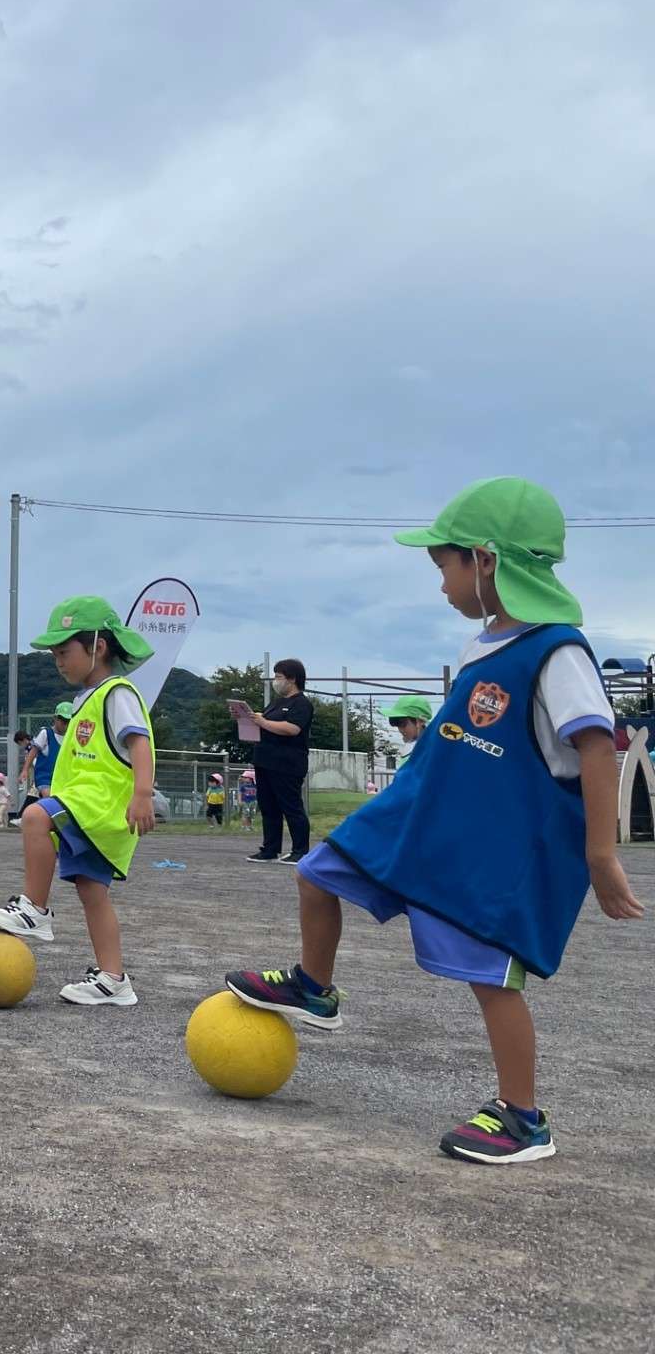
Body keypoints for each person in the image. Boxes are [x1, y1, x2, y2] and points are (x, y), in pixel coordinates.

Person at [226, 477, 643, 1163]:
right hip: (422, 818)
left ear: (485, 561)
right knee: (317, 871)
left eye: (443, 565)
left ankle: (523, 1119)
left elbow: (597, 746)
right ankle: (314, 988)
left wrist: (602, 853)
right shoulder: (485, 645)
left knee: (491, 975)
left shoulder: (557, 650)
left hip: (492, 845)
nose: (441, 583)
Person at [0, 597, 156, 1007]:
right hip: (87, 806)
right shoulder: (86, 700)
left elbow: (140, 742)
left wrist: (143, 793)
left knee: (34, 816)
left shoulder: (117, 693)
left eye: (64, 652)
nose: (58, 661)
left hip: (100, 806)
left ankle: (35, 910)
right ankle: (114, 980)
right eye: (54, 655)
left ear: (98, 646)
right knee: (92, 891)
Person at [246, 658, 313, 865]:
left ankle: (300, 850)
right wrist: (248, 719)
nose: (275, 681)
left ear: (292, 679)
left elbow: (292, 729)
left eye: (279, 677)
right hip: (264, 760)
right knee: (268, 807)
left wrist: (263, 721)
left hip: (287, 764)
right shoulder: (276, 703)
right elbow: (263, 725)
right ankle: (270, 849)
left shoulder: (301, 703)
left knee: (291, 807)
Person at [21, 703, 73, 809]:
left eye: (68, 721)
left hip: (62, 778)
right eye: (62, 720)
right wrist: (25, 770)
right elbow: (33, 752)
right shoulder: (46, 733)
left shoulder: (71, 736)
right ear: (55, 718)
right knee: (49, 798)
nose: (65, 724)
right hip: (45, 777)